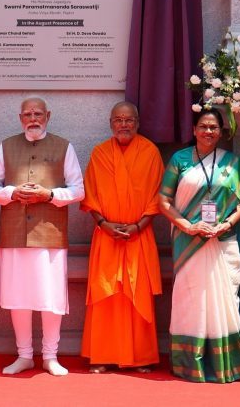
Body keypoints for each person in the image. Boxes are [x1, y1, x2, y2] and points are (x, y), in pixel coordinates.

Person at [159, 107, 240, 384]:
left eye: (214, 128)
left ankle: (226, 364)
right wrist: (188, 226)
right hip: (188, 241)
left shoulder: (233, 164)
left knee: (226, 299)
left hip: (222, 241)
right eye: (203, 126)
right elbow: (163, 202)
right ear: (194, 130)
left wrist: (226, 225)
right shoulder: (179, 160)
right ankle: (189, 364)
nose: (208, 131)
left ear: (221, 132)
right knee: (190, 300)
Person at [0, 96, 84, 377]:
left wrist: (49, 195)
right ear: (20, 118)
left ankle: (51, 356)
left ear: (47, 116)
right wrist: (12, 193)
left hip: (49, 233)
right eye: (27, 114)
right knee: (18, 295)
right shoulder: (6, 146)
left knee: (50, 297)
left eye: (38, 113)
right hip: (14, 232)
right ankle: (24, 355)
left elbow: (79, 190)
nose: (33, 118)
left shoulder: (64, 146)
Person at [81, 101, 164, 373]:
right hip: (106, 236)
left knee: (136, 295)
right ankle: (103, 355)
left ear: (138, 123)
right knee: (107, 296)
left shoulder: (150, 153)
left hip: (139, 236)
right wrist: (104, 224)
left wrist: (138, 225)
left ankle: (140, 357)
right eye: (119, 120)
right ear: (110, 123)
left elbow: (158, 197)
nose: (124, 125)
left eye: (129, 120)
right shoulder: (99, 153)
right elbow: (90, 196)